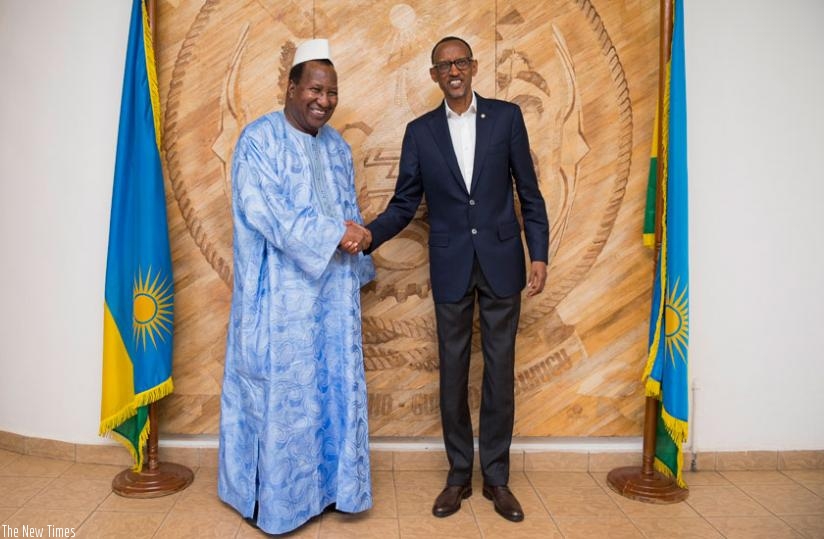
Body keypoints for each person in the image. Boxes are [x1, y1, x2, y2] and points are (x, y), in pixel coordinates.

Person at [364, 36, 549, 522]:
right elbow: (405, 203)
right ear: (434, 75)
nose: (454, 71)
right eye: (444, 65)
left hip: (503, 264)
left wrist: (540, 255)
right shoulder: (420, 132)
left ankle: (497, 480)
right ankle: (457, 476)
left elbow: (528, 192)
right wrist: (368, 236)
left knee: (498, 375)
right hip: (449, 268)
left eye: (460, 62)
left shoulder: (507, 118)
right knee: (452, 375)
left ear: (472, 66)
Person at [218, 38, 375, 535]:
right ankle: (276, 503)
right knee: (285, 399)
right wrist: (337, 234)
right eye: (314, 89)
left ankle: (330, 490)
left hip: (331, 303)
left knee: (329, 396)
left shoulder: (337, 147)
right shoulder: (257, 140)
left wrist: (360, 240)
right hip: (279, 304)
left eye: (331, 92)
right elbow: (265, 212)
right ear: (290, 87)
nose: (324, 101)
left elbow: (346, 210)